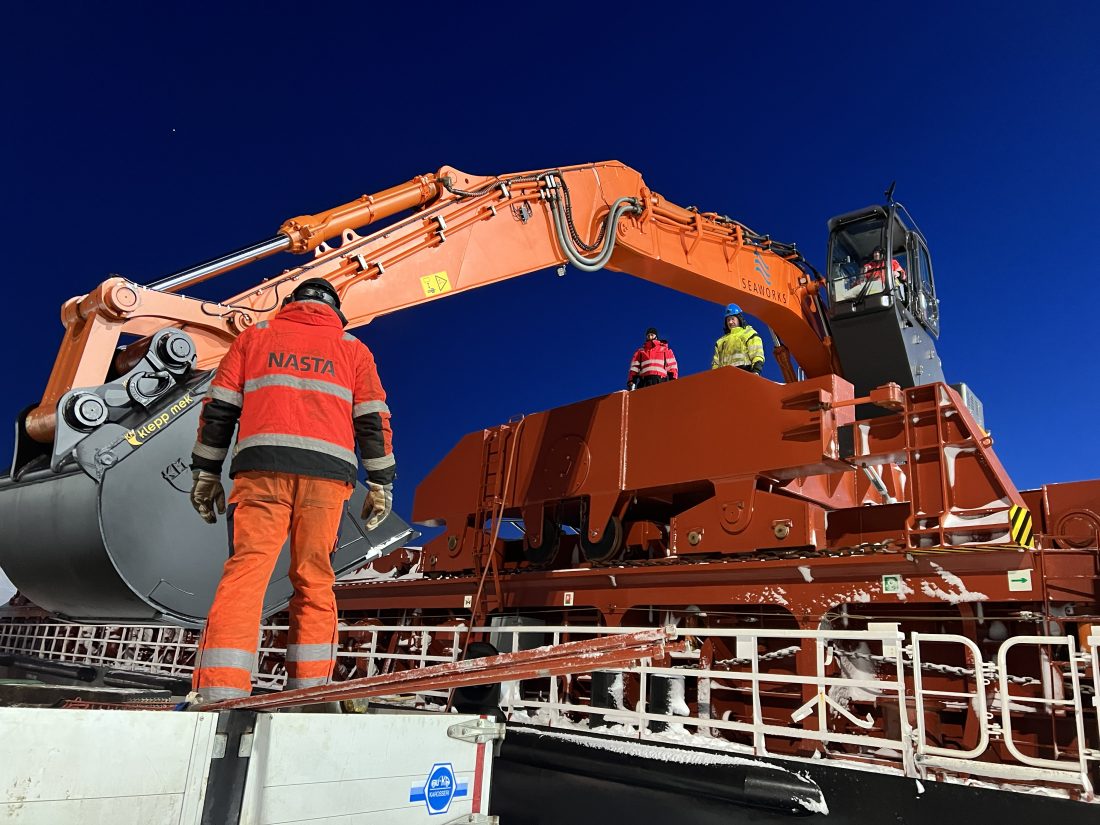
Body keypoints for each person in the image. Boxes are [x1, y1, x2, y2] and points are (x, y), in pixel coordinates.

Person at [187, 277, 396, 703]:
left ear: (290, 303)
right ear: (334, 309)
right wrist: (382, 484)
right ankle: (309, 691)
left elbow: (220, 409)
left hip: (262, 472)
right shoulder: (354, 350)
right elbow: (372, 420)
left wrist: (206, 472)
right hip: (327, 480)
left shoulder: (254, 338)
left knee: (247, 574)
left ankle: (220, 692)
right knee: (315, 579)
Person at [711, 304, 764, 374]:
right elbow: (715, 363)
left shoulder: (749, 333)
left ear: (739, 319)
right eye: (728, 320)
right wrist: (715, 376)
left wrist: (756, 370)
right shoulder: (720, 341)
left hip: (744, 374)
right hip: (725, 376)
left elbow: (757, 353)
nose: (730, 322)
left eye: (733, 319)